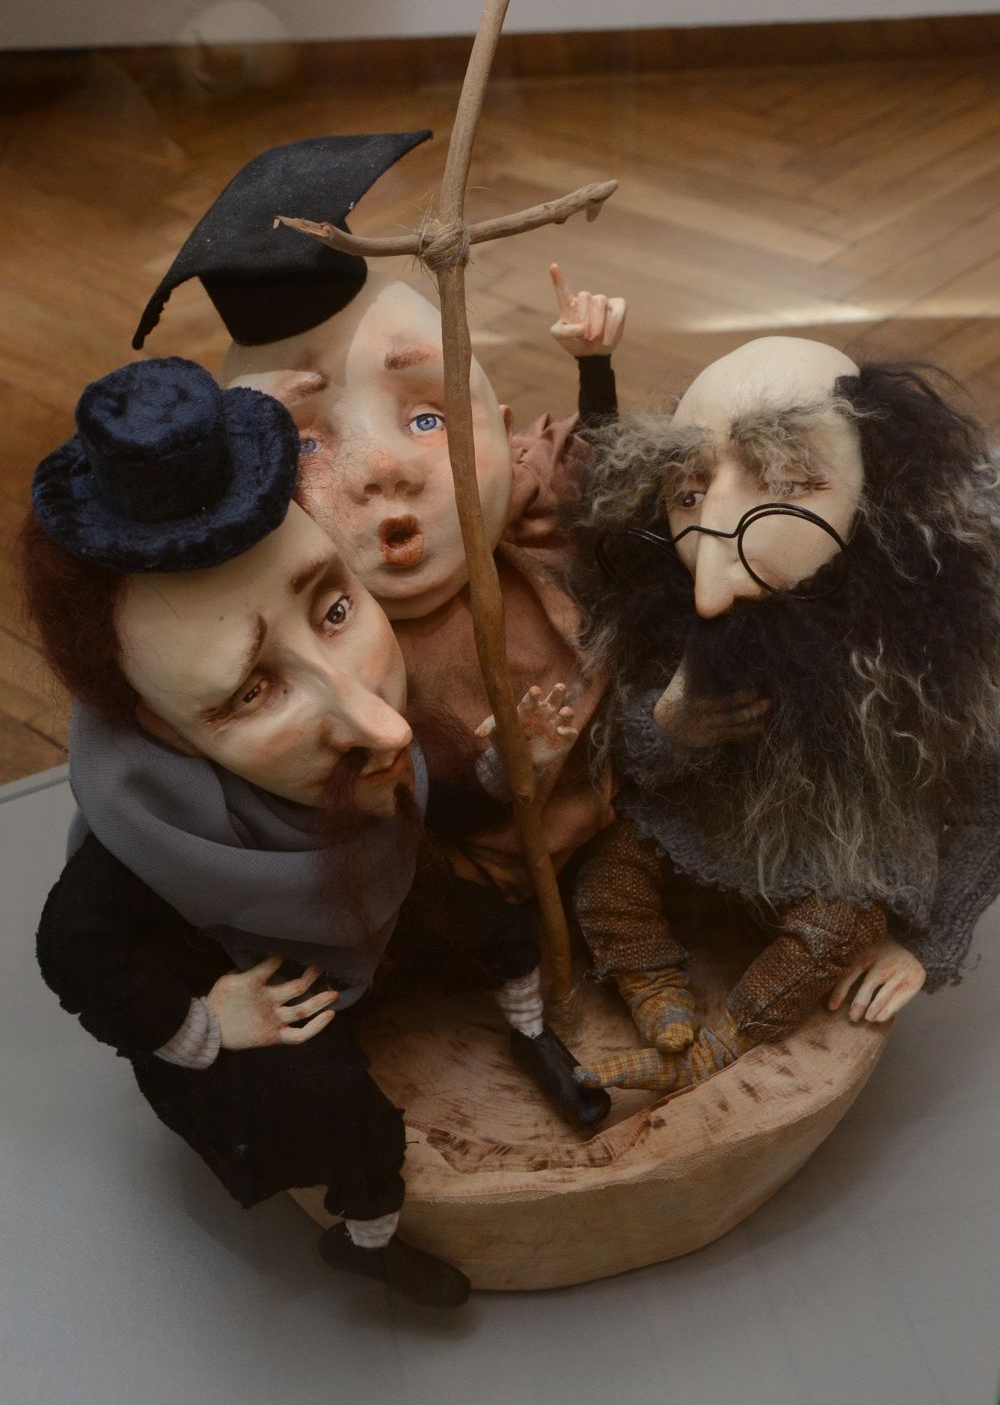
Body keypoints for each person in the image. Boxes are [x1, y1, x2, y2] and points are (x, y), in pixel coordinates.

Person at [24, 359, 605, 1310]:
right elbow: (74, 950)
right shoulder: (148, 847)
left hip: (377, 901)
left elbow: (435, 795)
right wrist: (201, 1024)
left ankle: (535, 1037)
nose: (378, 724)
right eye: (254, 691)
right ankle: (368, 1237)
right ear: (162, 730)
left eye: (335, 609)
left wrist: (515, 771)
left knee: (493, 924)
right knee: (343, 1114)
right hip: (273, 979)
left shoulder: (379, 742)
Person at [132, 132, 626, 904]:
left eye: (428, 419)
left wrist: (595, 371)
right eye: (307, 445)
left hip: (608, 795)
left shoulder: (524, 507)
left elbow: (603, 472)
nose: (381, 468)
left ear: (500, 428)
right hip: (487, 869)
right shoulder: (332, 660)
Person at [563, 337, 1000, 1090]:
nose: (710, 590)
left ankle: (724, 1043)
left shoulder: (934, 636)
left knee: (841, 928)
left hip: (842, 854)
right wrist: (670, 729)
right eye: (688, 494)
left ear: (883, 487)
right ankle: (652, 988)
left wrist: (927, 942)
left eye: (784, 483)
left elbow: (990, 792)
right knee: (607, 879)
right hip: (706, 819)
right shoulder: (666, 598)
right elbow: (634, 747)